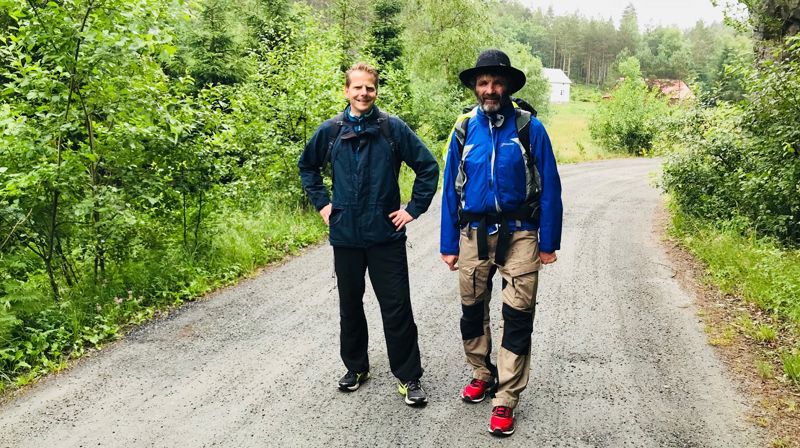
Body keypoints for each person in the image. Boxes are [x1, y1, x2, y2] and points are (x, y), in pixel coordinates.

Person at [298, 62, 439, 406]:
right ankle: (355, 367)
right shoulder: (331, 131)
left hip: (385, 236)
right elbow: (307, 167)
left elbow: (428, 167)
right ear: (346, 91)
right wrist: (323, 204)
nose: (363, 93)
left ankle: (408, 376)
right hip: (345, 235)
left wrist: (412, 209)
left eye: (370, 88)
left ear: (376, 91)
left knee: (397, 307)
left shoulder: (392, 129)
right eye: (357, 88)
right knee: (350, 304)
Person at [440, 49, 563, 435]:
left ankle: (507, 397)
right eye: (483, 82)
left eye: (496, 82)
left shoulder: (529, 128)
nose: (490, 89)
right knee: (472, 309)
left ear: (507, 86)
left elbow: (551, 187)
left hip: (521, 232)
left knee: (518, 315)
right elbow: (450, 188)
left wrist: (549, 241)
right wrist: (448, 243)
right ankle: (481, 372)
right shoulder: (464, 129)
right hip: (473, 234)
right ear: (475, 88)